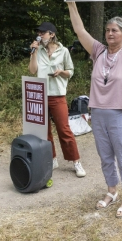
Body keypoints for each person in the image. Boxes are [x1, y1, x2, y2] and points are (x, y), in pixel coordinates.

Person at [63, 0, 122, 218]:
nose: (110, 33)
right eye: (107, 30)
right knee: (105, 156)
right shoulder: (98, 51)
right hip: (97, 113)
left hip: (119, 114)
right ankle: (111, 191)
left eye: (115, 30)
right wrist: (71, 3)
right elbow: (79, 31)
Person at [28, 21, 86, 178]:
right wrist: (33, 52)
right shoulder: (38, 50)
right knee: (44, 131)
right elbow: (33, 70)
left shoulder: (63, 50)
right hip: (41, 94)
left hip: (58, 94)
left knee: (64, 129)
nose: (39, 35)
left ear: (51, 34)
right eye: (38, 33)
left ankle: (76, 161)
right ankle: (52, 158)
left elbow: (71, 71)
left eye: (43, 33)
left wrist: (61, 72)